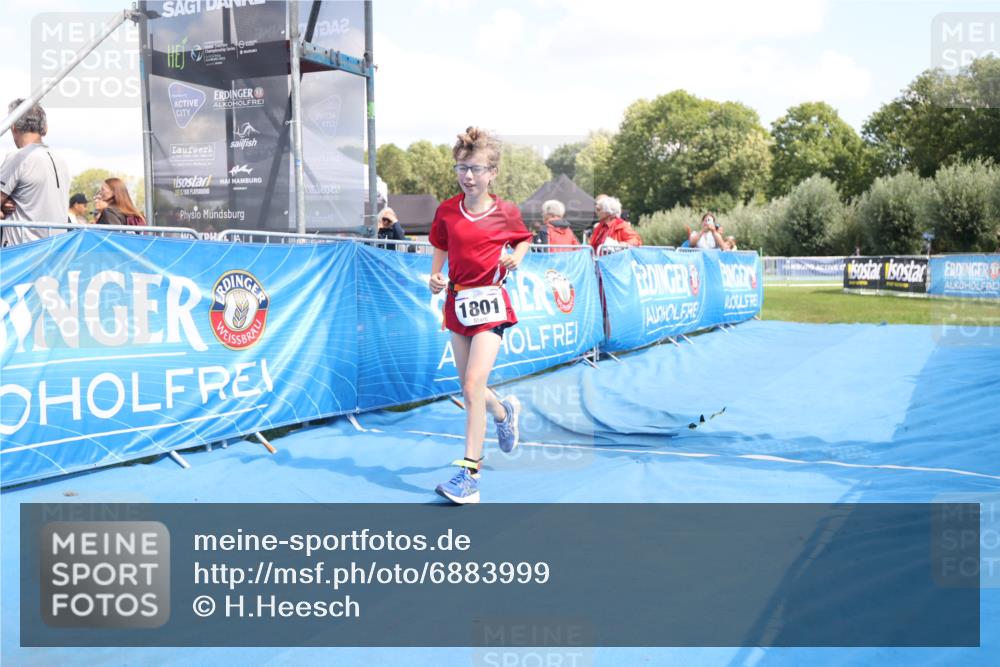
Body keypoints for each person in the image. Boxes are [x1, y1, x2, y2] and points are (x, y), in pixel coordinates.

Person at [428, 126, 533, 504]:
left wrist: (515, 258)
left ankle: (468, 475)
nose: (468, 176)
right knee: (470, 388)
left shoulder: (505, 212)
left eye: (476, 169)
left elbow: (523, 239)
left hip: (492, 306)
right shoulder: (446, 211)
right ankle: (504, 412)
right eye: (461, 168)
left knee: (473, 385)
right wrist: (436, 275)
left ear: (492, 173)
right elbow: (440, 244)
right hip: (457, 304)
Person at [0, 99, 70, 247]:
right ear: (44, 127)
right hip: (56, 251)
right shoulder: (61, 160)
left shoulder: (19, 158)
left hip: (23, 254)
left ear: (13, 126)